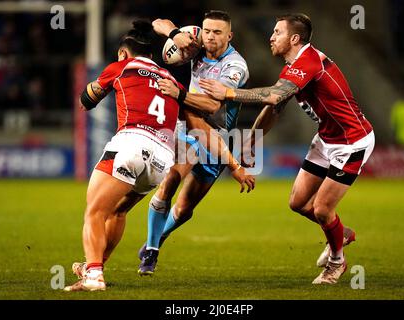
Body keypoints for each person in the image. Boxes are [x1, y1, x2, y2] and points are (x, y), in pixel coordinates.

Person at [199, 13, 375, 284]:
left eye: (277, 32)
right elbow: (275, 106)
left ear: (294, 38)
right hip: (327, 139)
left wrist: (229, 93)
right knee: (298, 203)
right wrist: (253, 140)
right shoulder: (294, 67)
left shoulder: (308, 61)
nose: (271, 37)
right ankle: (343, 233)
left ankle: (337, 263)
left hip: (351, 142)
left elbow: (274, 94)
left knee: (322, 209)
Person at [64, 19, 194, 291]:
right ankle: (94, 268)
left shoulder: (121, 66)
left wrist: (93, 87)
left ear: (124, 53)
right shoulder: (169, 78)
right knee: (118, 211)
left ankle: (94, 277)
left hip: (132, 144)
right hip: (161, 160)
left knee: (94, 213)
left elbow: (86, 102)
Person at [137, 10, 254, 275]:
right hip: (189, 128)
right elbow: (157, 22)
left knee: (184, 208)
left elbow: (212, 105)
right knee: (170, 180)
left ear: (229, 36)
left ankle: (157, 238)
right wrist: (175, 35)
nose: (210, 37)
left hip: (218, 137)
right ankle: (152, 253)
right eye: (207, 31)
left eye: (218, 32)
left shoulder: (235, 66)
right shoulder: (197, 42)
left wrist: (179, 94)